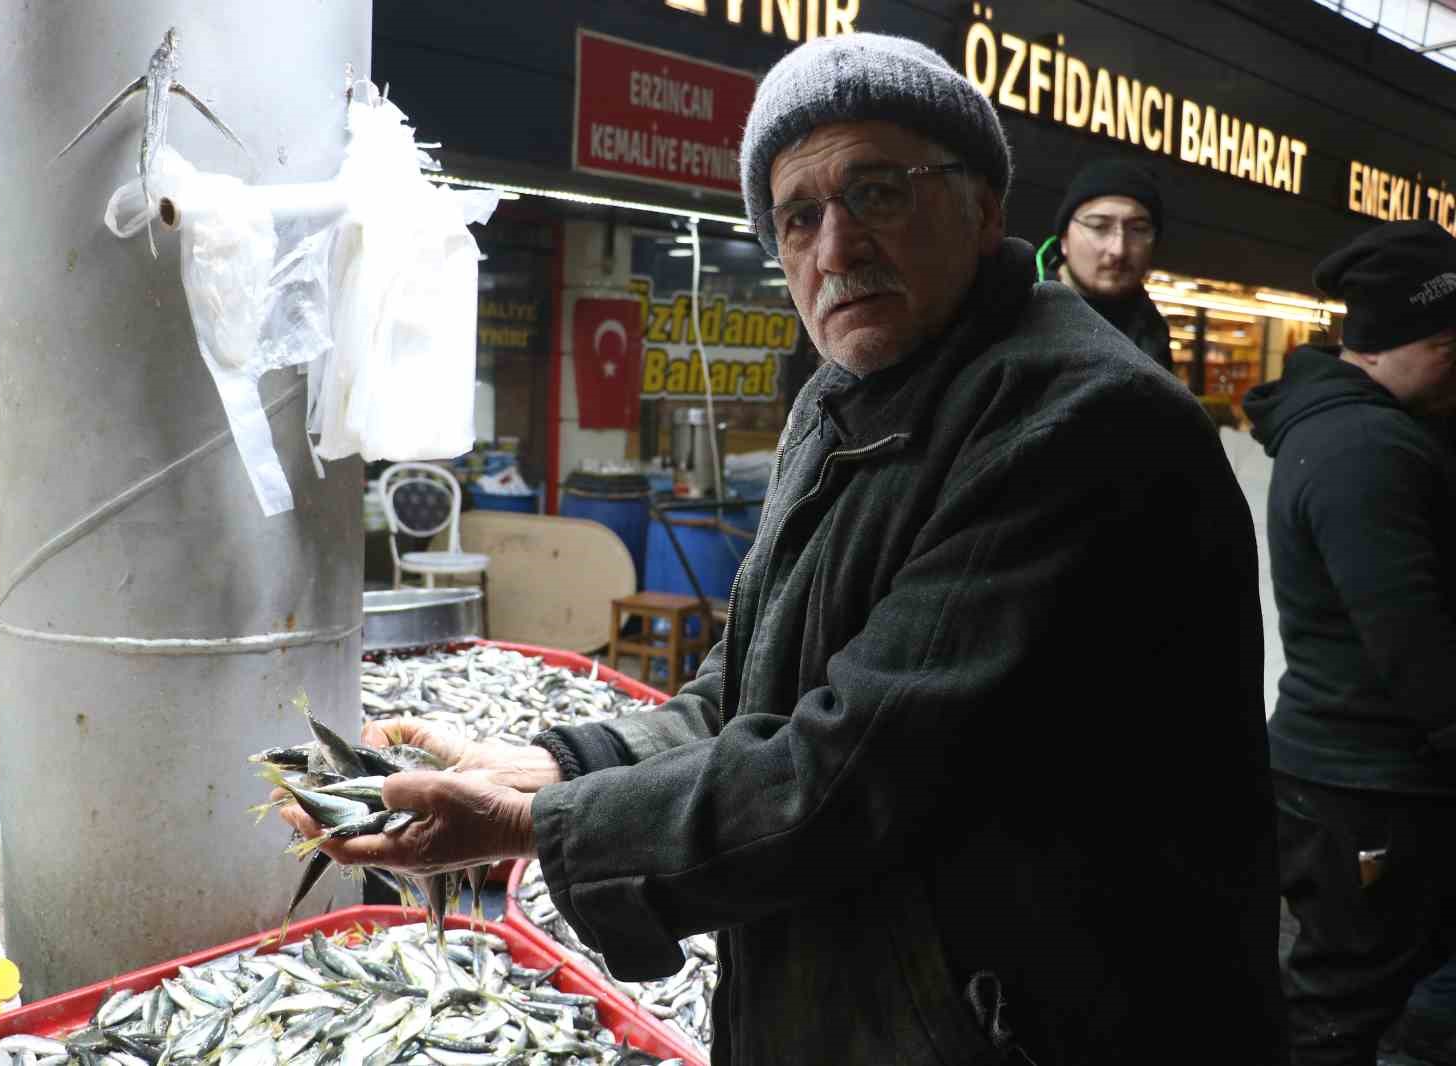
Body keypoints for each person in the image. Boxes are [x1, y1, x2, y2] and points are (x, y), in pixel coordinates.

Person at [285, 33, 1284, 1065]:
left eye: (878, 194)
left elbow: (852, 770)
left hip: (1036, 1024)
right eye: (797, 218)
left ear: (985, 209)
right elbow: (749, 691)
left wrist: (540, 824)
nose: (835, 248)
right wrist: (555, 763)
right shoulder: (842, 398)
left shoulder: (1079, 420)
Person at [1244, 219, 1456, 1066]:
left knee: (1364, 987)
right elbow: (1412, 643)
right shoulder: (1362, 448)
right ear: (1425, 341)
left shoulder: (1376, 427)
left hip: (1361, 780)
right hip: (1367, 786)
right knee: (1345, 1006)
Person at [1036, 158, 1173, 372]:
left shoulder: (1153, 330)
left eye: (1138, 230)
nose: (1118, 249)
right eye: (1099, 226)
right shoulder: (1017, 311)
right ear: (1064, 239)